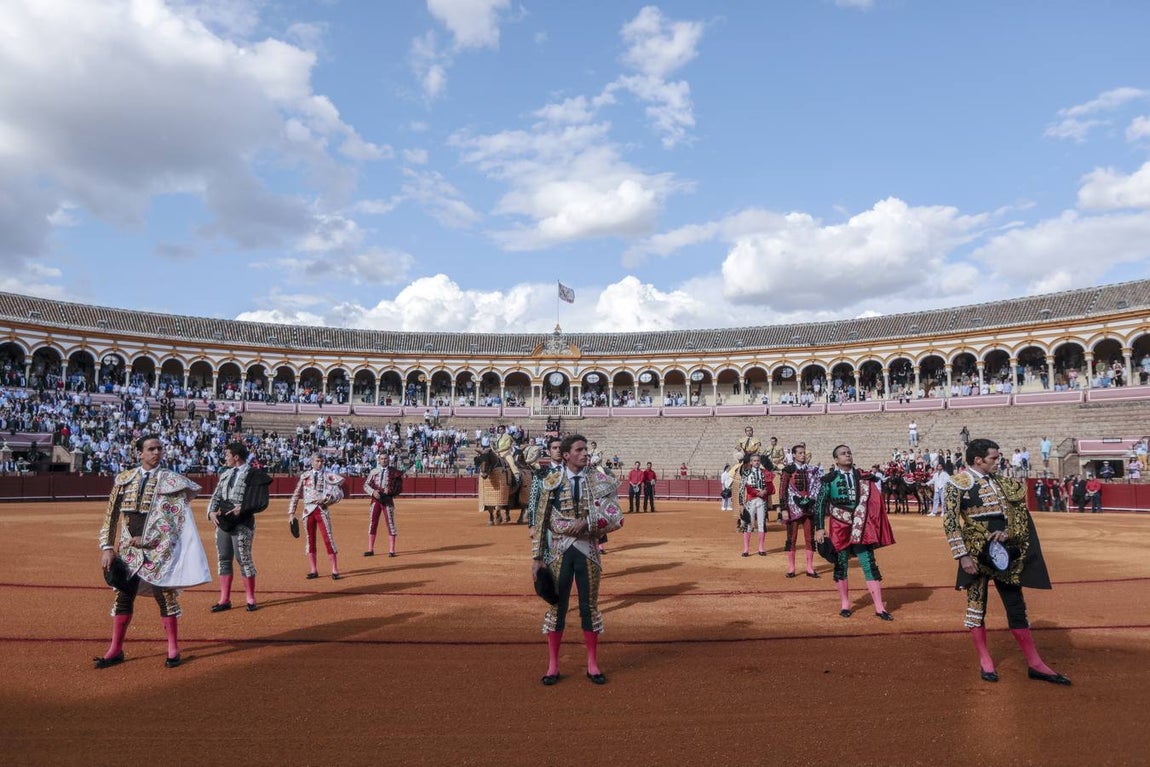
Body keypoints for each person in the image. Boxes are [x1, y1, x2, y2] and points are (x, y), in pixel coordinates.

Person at [942, 438, 1070, 685]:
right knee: (976, 607)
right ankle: (985, 660)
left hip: (1004, 551)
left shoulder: (1002, 483)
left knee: (1015, 604)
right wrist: (962, 556)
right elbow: (950, 522)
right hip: (975, 553)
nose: (998, 462)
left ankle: (1035, 663)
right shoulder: (957, 483)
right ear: (978, 460)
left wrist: (1009, 533)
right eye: (994, 458)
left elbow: (1017, 516)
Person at [95, 434, 210, 669]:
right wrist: (107, 547)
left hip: (160, 549)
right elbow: (111, 515)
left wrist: (148, 539)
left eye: (159, 448)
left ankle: (173, 649)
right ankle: (115, 649)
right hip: (128, 548)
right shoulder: (124, 480)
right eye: (151, 449)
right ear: (140, 453)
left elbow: (176, 521)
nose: (157, 452)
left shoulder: (172, 481)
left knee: (165, 595)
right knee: (123, 595)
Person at [531, 434, 623, 686]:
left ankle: (592, 664)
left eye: (585, 450)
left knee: (589, 607)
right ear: (566, 455)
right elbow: (541, 520)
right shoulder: (551, 480)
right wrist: (537, 558)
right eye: (579, 450)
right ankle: (553, 665)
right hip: (559, 552)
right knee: (557, 608)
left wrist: (587, 522)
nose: (585, 454)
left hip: (588, 551)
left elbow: (616, 516)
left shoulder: (599, 479)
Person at [814, 445, 895, 620]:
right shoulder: (829, 479)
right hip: (839, 525)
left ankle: (879, 607)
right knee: (841, 564)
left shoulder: (863, 476)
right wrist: (819, 527)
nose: (847, 455)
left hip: (861, 525)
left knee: (869, 563)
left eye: (849, 453)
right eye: (843, 454)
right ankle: (845, 604)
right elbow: (820, 504)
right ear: (836, 459)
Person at [207, 441, 270, 612]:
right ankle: (224, 599)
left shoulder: (253, 474)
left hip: (243, 521)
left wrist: (243, 508)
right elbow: (216, 496)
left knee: (244, 559)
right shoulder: (226, 474)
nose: (225, 458)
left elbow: (260, 500)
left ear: (236, 457)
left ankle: (250, 598)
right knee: (223, 559)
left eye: (227, 455)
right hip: (224, 522)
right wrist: (211, 512)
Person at [288, 453, 346, 579]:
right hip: (308, 511)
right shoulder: (305, 476)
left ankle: (334, 570)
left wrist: (326, 499)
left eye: (321, 461)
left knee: (328, 538)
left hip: (322, 510)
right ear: (312, 462)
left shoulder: (328, 476)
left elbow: (339, 494)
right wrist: (291, 513)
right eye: (317, 461)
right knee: (310, 540)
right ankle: (313, 570)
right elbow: (296, 495)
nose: (320, 463)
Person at [778, 444, 821, 578]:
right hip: (792, 507)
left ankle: (809, 567)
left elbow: (817, 486)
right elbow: (782, 490)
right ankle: (792, 568)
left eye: (804, 453)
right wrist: (783, 508)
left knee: (810, 538)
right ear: (794, 455)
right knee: (792, 538)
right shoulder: (788, 470)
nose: (803, 455)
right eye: (800, 453)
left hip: (809, 506)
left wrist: (812, 499)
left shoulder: (812, 470)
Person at [363, 453, 401, 557]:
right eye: (382, 459)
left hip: (387, 500)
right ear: (379, 460)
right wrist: (373, 492)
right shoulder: (374, 471)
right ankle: (370, 549)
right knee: (373, 523)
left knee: (390, 523)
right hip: (375, 500)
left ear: (389, 460)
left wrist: (391, 491)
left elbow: (398, 487)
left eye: (385, 458)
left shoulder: (394, 472)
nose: (384, 460)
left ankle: (392, 551)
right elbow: (365, 485)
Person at [739, 454, 772, 557]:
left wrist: (765, 491)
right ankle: (746, 549)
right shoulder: (746, 473)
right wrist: (741, 503)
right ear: (751, 462)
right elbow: (741, 489)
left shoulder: (765, 473)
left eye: (758, 461)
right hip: (750, 501)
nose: (756, 462)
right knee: (748, 524)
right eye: (754, 461)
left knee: (761, 524)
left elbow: (770, 486)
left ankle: (761, 548)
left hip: (762, 500)